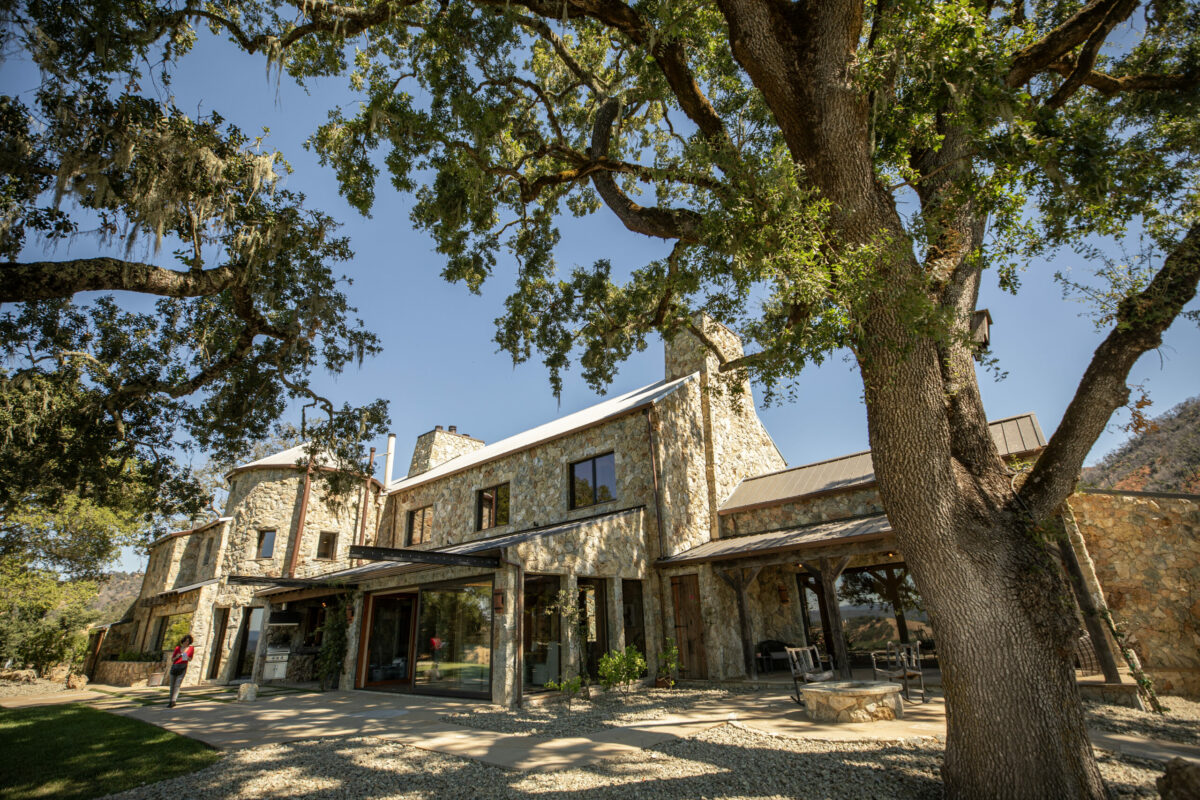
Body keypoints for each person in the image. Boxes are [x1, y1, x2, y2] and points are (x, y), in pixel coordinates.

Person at [167, 634, 194, 708]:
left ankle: (173, 701)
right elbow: (172, 659)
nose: (186, 642)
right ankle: (170, 700)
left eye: (188, 641)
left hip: (183, 667)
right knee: (172, 684)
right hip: (175, 666)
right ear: (183, 641)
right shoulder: (177, 648)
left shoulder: (191, 648)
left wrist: (186, 657)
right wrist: (177, 656)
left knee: (177, 685)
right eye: (185, 641)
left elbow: (190, 659)